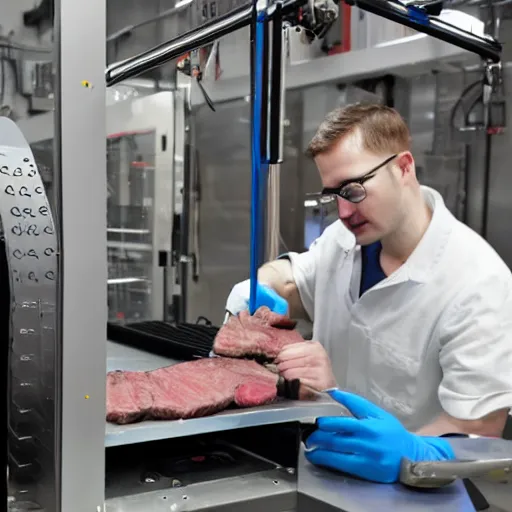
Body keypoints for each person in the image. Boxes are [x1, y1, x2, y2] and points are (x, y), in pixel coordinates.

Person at [226, 103, 512, 439]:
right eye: (334, 195)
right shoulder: (344, 240)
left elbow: (478, 429)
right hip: (320, 462)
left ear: (404, 168)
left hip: (412, 486)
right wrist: (261, 288)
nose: (344, 212)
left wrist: (405, 451)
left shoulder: (478, 285)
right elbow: (294, 281)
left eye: (354, 190)